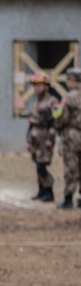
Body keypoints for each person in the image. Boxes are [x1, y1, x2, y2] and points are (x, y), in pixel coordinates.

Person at [20, 71, 60, 202]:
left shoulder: (52, 101)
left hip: (45, 137)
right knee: (37, 164)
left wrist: (50, 139)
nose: (37, 88)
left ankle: (49, 190)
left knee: (41, 166)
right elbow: (32, 122)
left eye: (40, 85)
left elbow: (54, 122)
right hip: (35, 138)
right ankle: (42, 190)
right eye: (35, 85)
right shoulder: (35, 102)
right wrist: (28, 140)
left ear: (46, 86)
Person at [55, 67, 81, 209]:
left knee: (71, 169)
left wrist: (57, 125)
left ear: (71, 81)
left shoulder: (68, 97)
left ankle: (68, 200)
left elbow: (61, 118)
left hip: (71, 138)